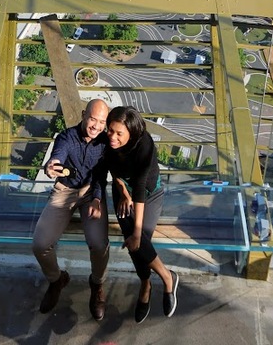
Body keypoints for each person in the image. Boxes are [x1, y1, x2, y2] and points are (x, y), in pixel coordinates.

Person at [32, 98, 110, 321]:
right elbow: (58, 154)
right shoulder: (67, 137)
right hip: (65, 191)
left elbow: (101, 176)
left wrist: (96, 198)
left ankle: (97, 285)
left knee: (99, 244)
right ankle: (57, 280)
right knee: (40, 243)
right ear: (84, 114)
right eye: (92, 119)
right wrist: (51, 166)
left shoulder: (105, 143)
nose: (95, 126)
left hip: (91, 192)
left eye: (101, 122)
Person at [103, 105, 179, 323]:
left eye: (119, 134)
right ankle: (159, 279)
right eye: (110, 130)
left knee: (139, 238)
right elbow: (112, 171)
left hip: (148, 193)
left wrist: (136, 232)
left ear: (131, 133)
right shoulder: (107, 140)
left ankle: (158, 281)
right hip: (123, 192)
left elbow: (139, 187)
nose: (112, 137)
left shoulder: (144, 145)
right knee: (135, 242)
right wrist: (121, 191)